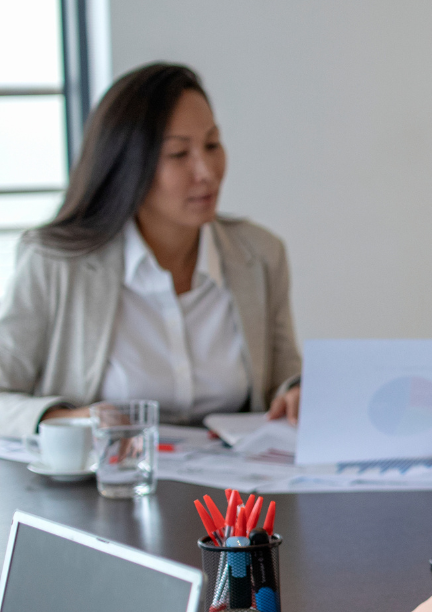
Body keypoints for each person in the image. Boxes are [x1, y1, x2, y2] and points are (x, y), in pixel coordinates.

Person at [0, 63, 301, 437]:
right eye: (179, 154)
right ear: (130, 165)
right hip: (108, 487)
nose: (206, 171)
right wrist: (74, 419)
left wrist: (295, 393)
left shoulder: (260, 254)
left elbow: (283, 380)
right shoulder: (56, 262)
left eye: (212, 144)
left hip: (232, 493)